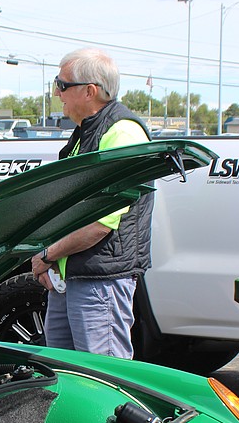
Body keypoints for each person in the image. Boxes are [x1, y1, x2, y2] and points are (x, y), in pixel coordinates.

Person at [29, 48, 152, 358]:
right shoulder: (86, 133)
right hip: (73, 274)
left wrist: (48, 254)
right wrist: (51, 256)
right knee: (65, 372)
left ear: (90, 91)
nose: (57, 94)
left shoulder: (122, 133)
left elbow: (100, 224)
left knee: (103, 377)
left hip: (100, 281)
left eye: (61, 84)